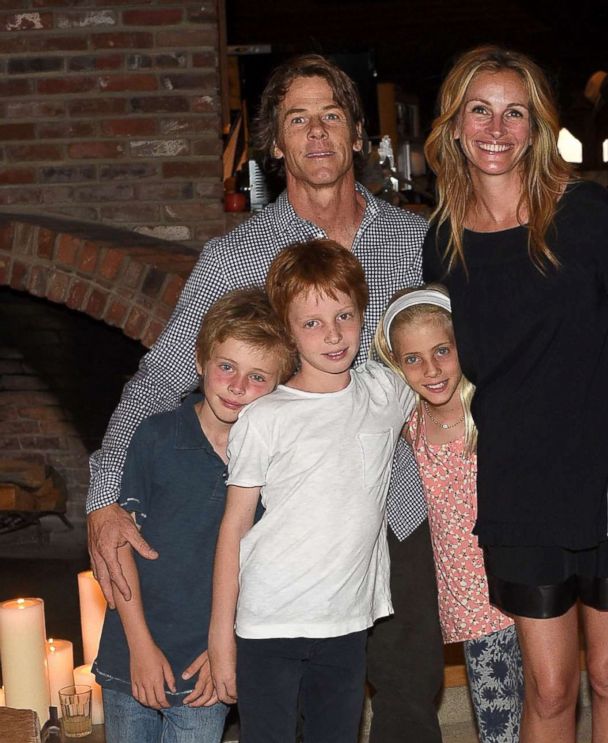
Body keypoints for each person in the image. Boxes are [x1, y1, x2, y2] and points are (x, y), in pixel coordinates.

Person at [85, 54, 444, 742]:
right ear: (275, 144)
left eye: (331, 116)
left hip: (396, 507)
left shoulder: (415, 242)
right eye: (297, 119)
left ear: (358, 134)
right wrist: (105, 495)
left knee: (407, 706)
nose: (316, 133)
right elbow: (161, 377)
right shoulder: (235, 259)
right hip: (288, 527)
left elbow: (454, 360)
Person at [422, 46, 608, 743]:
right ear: (454, 125)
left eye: (515, 111)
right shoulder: (442, 244)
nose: (496, 127)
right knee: (548, 686)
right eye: (479, 110)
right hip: (519, 487)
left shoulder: (591, 216)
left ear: (537, 127)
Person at [208, 241, 416, 743]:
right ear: (289, 332)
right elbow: (235, 525)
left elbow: (446, 360)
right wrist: (220, 633)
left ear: (364, 314)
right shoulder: (265, 417)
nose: (333, 334)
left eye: (344, 315)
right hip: (267, 622)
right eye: (312, 323)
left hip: (346, 624)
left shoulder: (384, 392)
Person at [92, 288, 296, 743]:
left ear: (281, 385)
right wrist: (139, 645)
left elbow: (273, 569)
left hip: (207, 666)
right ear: (202, 361)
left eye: (258, 377)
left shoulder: (279, 461)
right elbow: (120, 543)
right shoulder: (157, 436)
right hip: (133, 651)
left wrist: (230, 647)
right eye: (227, 367)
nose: (238, 387)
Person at [374, 286, 524, 743]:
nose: (431, 368)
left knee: (548, 700)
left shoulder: (494, 411)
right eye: (413, 359)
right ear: (395, 364)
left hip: (521, 590)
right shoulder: (408, 425)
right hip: (471, 606)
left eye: (442, 350)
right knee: (497, 721)